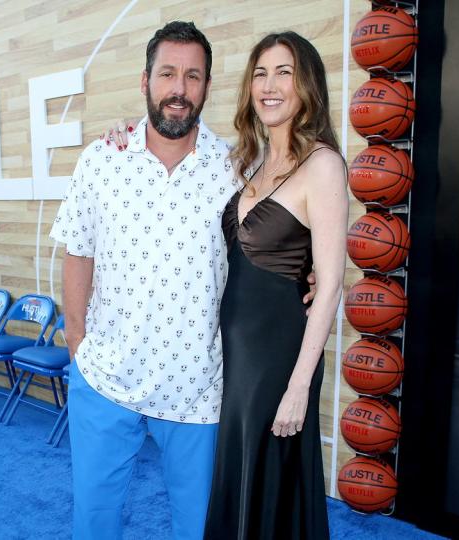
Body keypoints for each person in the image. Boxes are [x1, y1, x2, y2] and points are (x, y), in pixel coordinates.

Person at [105, 32, 347, 539]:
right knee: (238, 476)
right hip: (233, 357)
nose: (270, 85)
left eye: (284, 72)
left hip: (276, 359)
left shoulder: (322, 164)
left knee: (267, 481)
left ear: (307, 85)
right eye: (260, 73)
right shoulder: (249, 161)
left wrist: (299, 387)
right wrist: (125, 133)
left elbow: (329, 286)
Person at [50, 21, 235, 540]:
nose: (179, 89)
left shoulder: (236, 169)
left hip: (198, 388)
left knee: (197, 528)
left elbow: (269, 253)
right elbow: (78, 250)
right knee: (93, 521)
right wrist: (77, 344)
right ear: (145, 81)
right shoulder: (101, 160)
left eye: (193, 76)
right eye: (168, 73)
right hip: (106, 377)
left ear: (207, 87)